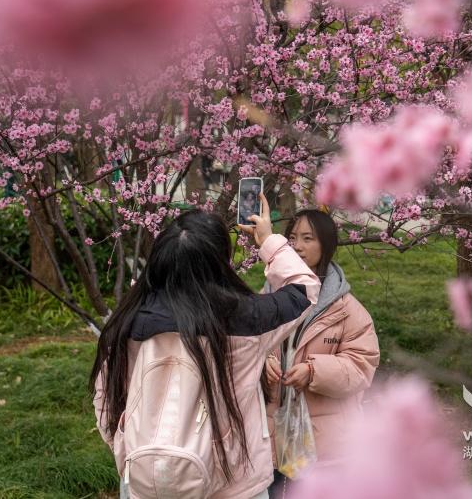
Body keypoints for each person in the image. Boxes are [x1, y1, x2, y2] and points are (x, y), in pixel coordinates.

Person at [89, 194, 321, 499]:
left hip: (145, 484)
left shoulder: (128, 322)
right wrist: (268, 241)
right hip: (236, 486)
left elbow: (106, 400)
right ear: (220, 263)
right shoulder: (247, 319)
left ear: (160, 260)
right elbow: (304, 289)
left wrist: (134, 453)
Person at [263, 209, 380, 498]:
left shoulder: (347, 310)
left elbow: (361, 366)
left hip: (324, 442)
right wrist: (263, 363)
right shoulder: (267, 299)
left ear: (326, 245)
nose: (298, 246)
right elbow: (247, 347)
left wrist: (313, 371)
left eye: (308, 238)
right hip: (270, 434)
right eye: (292, 238)